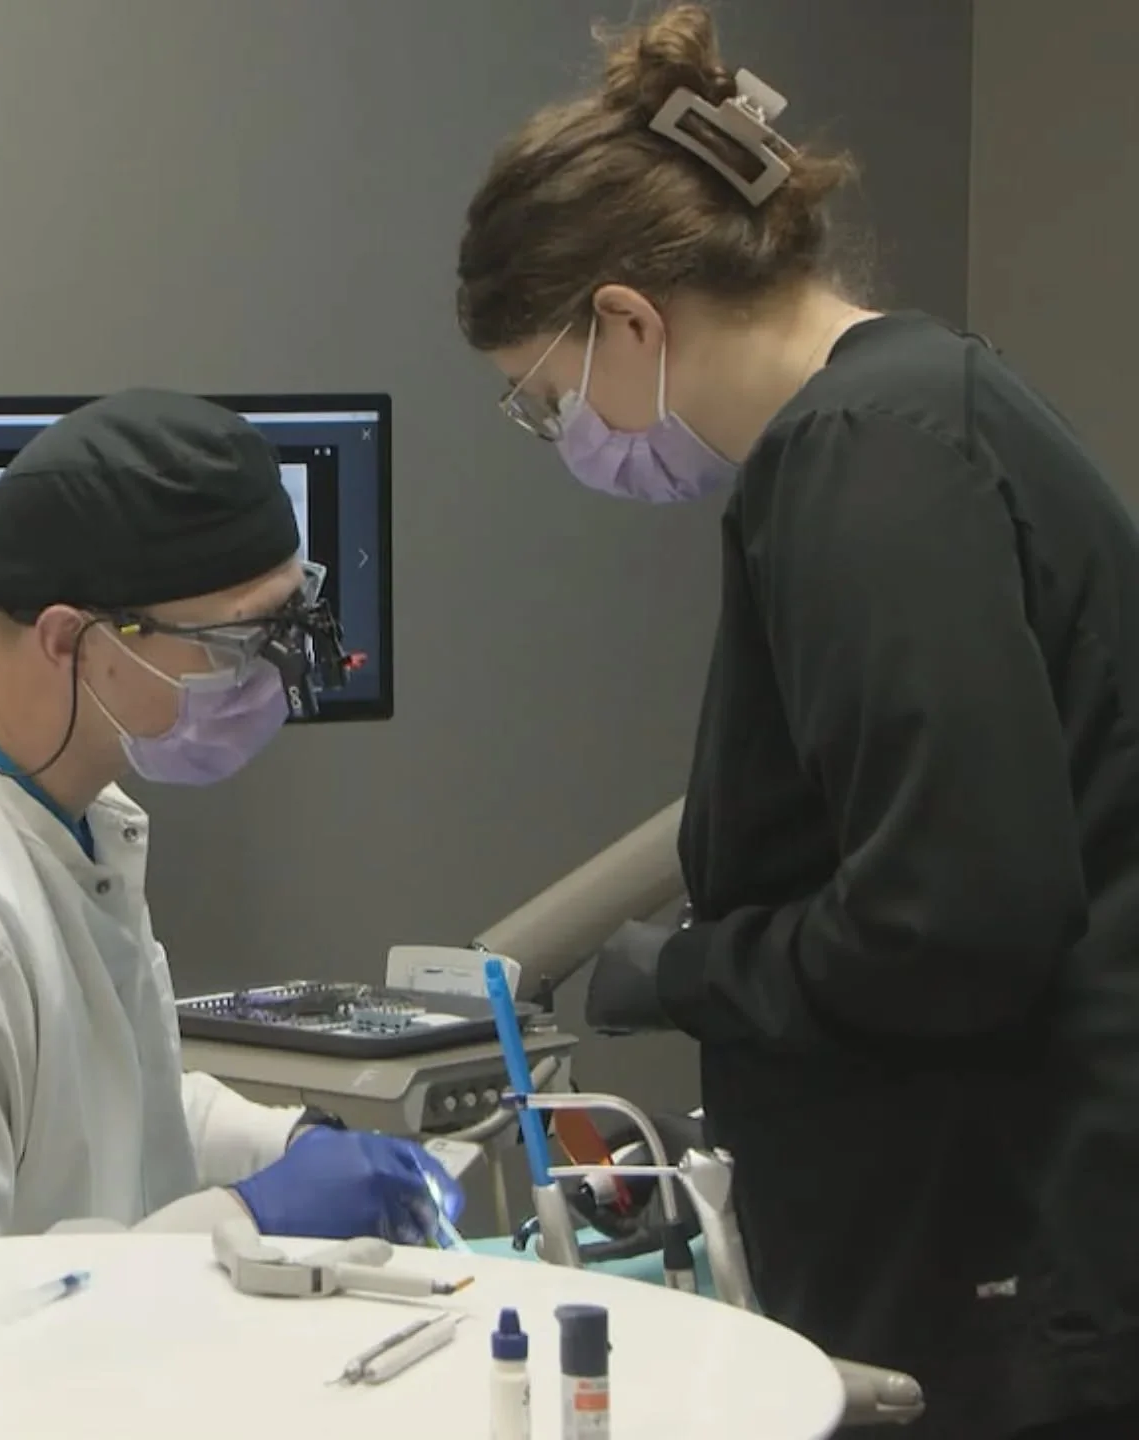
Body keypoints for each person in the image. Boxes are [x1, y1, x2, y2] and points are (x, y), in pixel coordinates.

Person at [455, 7, 1139, 1439]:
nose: (564, 436)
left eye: (542, 402)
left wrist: (695, 971)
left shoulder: (864, 460)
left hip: (1012, 1266)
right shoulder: (927, 405)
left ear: (630, 319)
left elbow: (958, 918)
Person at [0, 388, 459, 1282]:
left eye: (289, 625)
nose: (270, 677)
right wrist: (245, 1218)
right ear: (70, 638)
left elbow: (95, 1115)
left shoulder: (60, 805)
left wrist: (284, 1145)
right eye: (236, 642)